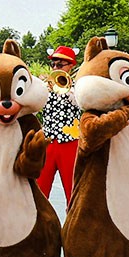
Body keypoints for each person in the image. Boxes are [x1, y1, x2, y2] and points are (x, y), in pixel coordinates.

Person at [35, 45, 81, 212]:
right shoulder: (46, 88)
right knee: (39, 188)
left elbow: (80, 103)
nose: (55, 68)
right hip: (48, 143)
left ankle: (73, 228)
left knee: (72, 189)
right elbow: (34, 108)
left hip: (70, 143)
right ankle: (38, 226)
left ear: (71, 66)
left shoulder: (78, 87)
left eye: (60, 65)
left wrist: (65, 88)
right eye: (53, 65)